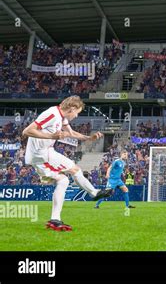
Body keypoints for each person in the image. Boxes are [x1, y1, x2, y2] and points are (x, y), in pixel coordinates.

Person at [22, 96, 113, 231]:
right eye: (77, 112)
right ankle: (94, 193)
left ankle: (55, 219)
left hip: (43, 153)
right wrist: (51, 136)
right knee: (74, 169)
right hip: (41, 154)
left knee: (63, 180)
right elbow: (27, 131)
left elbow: (71, 133)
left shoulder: (61, 116)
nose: (76, 116)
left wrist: (89, 138)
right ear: (72, 108)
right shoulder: (52, 114)